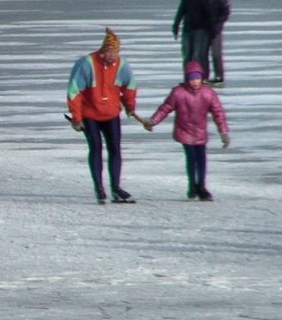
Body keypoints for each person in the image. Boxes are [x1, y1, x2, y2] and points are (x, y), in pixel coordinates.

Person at [66, 28, 139, 204]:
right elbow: (74, 91)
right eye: (110, 52)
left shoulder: (122, 66)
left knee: (115, 149)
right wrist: (76, 117)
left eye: (116, 52)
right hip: (90, 115)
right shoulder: (87, 64)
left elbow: (130, 87)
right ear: (103, 50)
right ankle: (99, 188)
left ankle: (115, 188)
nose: (113, 56)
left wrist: (129, 106)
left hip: (111, 114)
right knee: (96, 149)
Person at [140, 61, 229, 201]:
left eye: (197, 78)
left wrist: (223, 132)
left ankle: (201, 186)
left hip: (200, 132)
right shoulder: (178, 93)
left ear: (201, 78)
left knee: (202, 159)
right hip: (184, 131)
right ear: (187, 78)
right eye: (191, 78)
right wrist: (153, 121)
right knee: (191, 158)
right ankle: (192, 184)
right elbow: (165, 108)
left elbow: (218, 113)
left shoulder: (208, 93)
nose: (194, 82)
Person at [172, 0, 215, 80]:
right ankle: (196, 78)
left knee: (189, 56)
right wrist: (211, 29)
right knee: (196, 55)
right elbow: (209, 13)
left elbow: (180, 13)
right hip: (197, 30)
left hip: (194, 30)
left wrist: (175, 27)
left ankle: (192, 78)